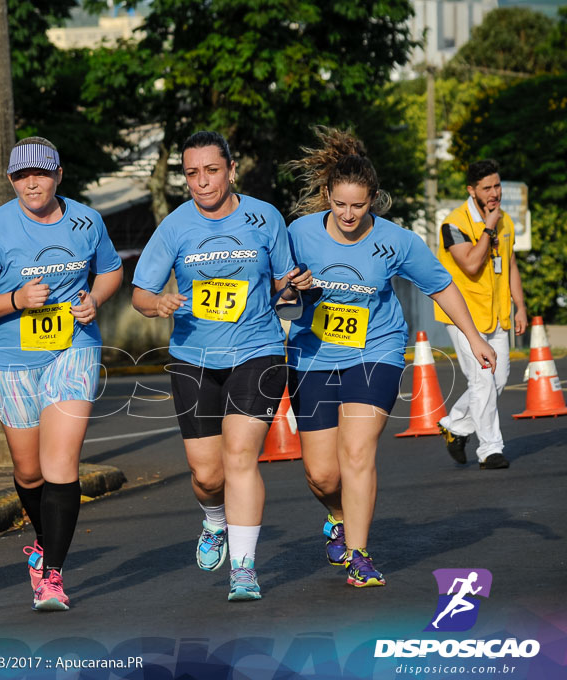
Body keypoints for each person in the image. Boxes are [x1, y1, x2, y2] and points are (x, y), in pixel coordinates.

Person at [284, 128, 496, 588]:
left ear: (373, 200)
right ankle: (338, 518)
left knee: (357, 453)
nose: (347, 214)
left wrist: (475, 337)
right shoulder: (298, 233)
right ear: (327, 196)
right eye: (339, 204)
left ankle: (359, 554)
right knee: (321, 475)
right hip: (312, 355)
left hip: (374, 351)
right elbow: (274, 287)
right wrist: (290, 287)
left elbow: (440, 285)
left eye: (358, 205)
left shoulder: (396, 241)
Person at [132, 131, 309, 602]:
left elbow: (284, 286)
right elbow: (140, 294)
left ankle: (245, 569)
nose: (202, 182)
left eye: (211, 171)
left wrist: (294, 291)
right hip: (194, 357)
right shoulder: (174, 227)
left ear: (231, 170)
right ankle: (214, 520)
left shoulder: (264, 216)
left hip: (258, 350)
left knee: (240, 457)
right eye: (192, 173)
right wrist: (158, 304)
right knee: (208, 474)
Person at [0, 136, 123, 611]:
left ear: (58, 175)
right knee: (29, 472)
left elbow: (110, 270)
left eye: (42, 173)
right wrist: (15, 300)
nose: (32, 182)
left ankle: (53, 574)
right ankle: (41, 541)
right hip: (10, 358)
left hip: (72, 349)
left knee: (60, 466)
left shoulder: (86, 220)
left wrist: (95, 298)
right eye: (22, 175)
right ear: (11, 180)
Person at [434, 159, 525, 470]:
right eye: (487, 187)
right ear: (471, 190)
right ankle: (490, 449)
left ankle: (456, 425)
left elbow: (510, 265)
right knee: (483, 380)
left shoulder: (506, 222)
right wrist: (488, 226)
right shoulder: (454, 224)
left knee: (498, 379)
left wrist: (520, 306)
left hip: (497, 315)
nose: (494, 193)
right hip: (463, 317)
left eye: (497, 185)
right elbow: (471, 264)